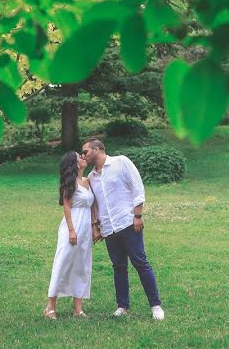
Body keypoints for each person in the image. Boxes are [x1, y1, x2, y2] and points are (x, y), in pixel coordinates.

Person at [83, 138, 165, 321]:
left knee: (141, 263)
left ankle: (155, 306)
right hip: (108, 228)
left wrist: (138, 216)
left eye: (86, 152)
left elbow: (137, 188)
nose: (83, 156)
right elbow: (94, 204)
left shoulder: (121, 162)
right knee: (118, 267)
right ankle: (122, 306)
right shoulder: (91, 177)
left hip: (128, 222)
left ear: (97, 149)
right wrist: (96, 226)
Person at [44, 151, 102, 319]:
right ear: (75, 164)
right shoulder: (70, 183)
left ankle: (78, 309)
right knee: (63, 263)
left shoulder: (87, 181)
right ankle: (50, 307)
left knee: (82, 266)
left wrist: (94, 227)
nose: (84, 158)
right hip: (72, 226)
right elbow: (67, 207)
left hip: (85, 229)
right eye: (80, 157)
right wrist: (71, 230)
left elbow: (91, 207)